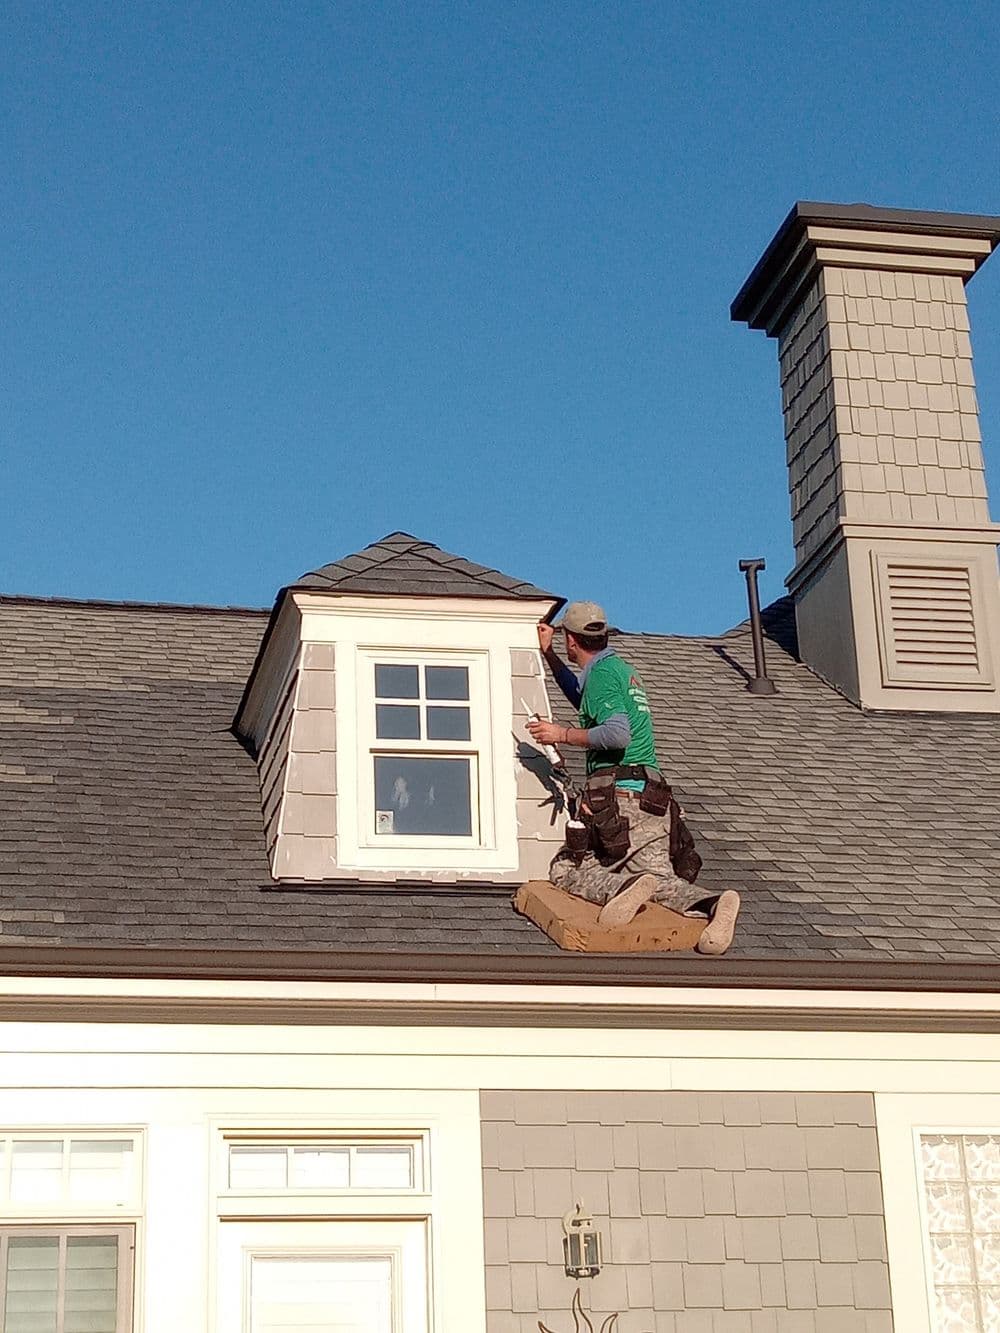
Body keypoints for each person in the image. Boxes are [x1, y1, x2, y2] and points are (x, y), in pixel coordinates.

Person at [527, 601, 740, 955]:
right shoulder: (619, 671)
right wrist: (549, 656)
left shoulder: (601, 677)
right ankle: (713, 903)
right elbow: (584, 699)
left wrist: (560, 734)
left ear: (571, 639)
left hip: (618, 802)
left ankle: (622, 888)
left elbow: (616, 734)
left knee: (566, 870)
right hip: (653, 801)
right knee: (660, 883)